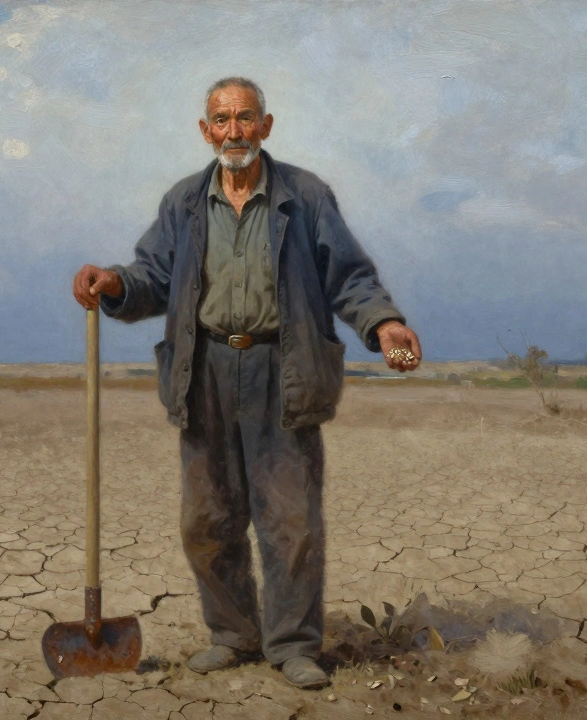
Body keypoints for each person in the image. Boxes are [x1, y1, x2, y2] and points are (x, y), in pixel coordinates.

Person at [71, 77, 422, 690]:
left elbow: (349, 277)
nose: (234, 131)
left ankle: (292, 645)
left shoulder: (305, 197)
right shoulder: (183, 202)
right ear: (206, 130)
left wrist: (385, 322)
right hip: (202, 369)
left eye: (245, 118)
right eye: (221, 120)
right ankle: (232, 635)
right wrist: (116, 284)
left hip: (281, 369)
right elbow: (152, 276)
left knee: (290, 519)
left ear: (267, 125)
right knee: (207, 520)